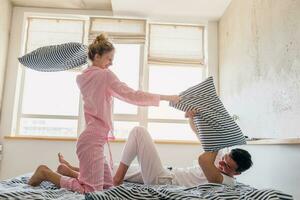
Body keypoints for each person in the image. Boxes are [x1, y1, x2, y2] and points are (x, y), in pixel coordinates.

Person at [28, 33, 180, 193]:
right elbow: (133, 95)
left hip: (92, 140)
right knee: (90, 191)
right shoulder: (104, 75)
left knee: (110, 187)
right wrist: (165, 97)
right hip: (92, 141)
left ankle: (66, 171)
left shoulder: (84, 77)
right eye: (109, 59)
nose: (111, 63)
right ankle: (45, 173)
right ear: (97, 56)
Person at [54, 111, 253, 188]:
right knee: (112, 166)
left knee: (139, 132)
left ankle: (116, 182)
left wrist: (218, 143)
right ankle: (73, 170)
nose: (221, 163)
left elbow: (203, 159)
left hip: (164, 182)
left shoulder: (225, 181)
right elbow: (199, 134)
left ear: (236, 173)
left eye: (227, 166)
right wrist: (192, 118)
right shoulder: (219, 157)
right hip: (166, 172)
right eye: (224, 158)